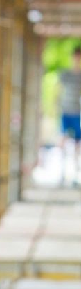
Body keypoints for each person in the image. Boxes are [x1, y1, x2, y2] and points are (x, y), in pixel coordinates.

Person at [57, 45, 81, 186]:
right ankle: (62, 174)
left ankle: (75, 175)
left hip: (77, 112)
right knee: (63, 142)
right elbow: (58, 91)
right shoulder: (65, 74)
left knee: (77, 145)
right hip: (65, 112)